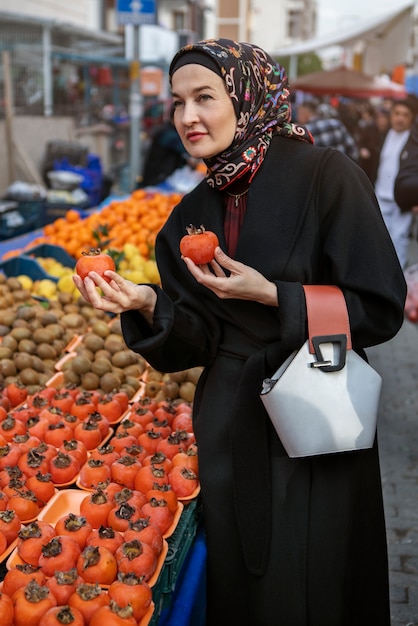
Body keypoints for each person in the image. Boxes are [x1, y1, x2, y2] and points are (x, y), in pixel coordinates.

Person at [73, 39, 406, 626]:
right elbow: (196, 341)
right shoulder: (191, 212)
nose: (187, 117)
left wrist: (276, 296)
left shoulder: (328, 178)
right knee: (246, 586)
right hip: (233, 423)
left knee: (318, 575)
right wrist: (148, 302)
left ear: (248, 95)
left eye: (205, 96)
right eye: (177, 103)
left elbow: (380, 308)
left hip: (317, 406)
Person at [373, 98, 416, 268]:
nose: (400, 118)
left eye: (405, 115)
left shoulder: (413, 140)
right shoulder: (383, 135)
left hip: (402, 200)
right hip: (380, 195)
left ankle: (398, 282)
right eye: (397, 113)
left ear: (411, 118)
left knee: (399, 240)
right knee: (379, 239)